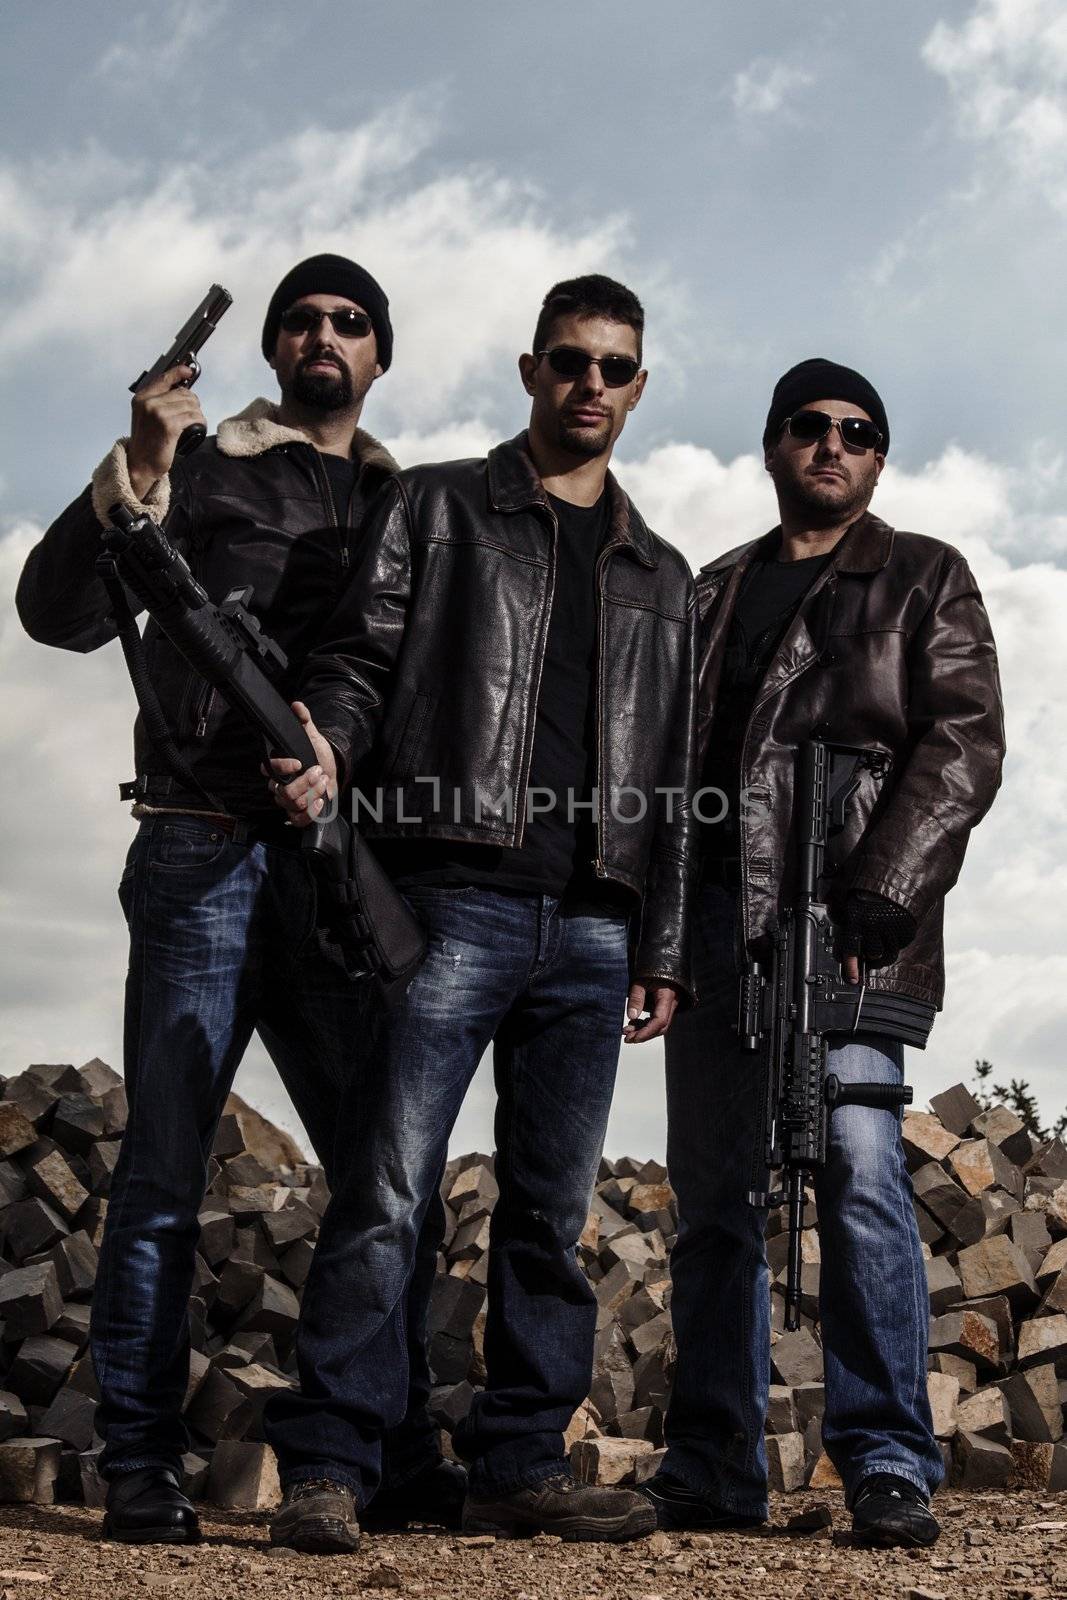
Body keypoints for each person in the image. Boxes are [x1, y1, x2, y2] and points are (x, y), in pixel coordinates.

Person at [15, 254, 462, 1545]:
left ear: (379, 355)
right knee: (161, 1176)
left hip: (334, 870)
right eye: (302, 319)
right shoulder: (194, 464)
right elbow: (56, 615)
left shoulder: (409, 503)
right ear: (272, 348)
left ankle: (383, 1450)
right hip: (198, 846)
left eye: (351, 320)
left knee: (387, 1181)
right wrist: (139, 466)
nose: (325, 333)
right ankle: (140, 1468)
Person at [262, 274, 699, 1551]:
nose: (589, 385)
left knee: (549, 1213)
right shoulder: (438, 503)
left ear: (636, 386)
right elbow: (356, 659)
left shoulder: (660, 574)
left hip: (593, 927)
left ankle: (516, 1462)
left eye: (613, 367)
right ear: (528, 370)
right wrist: (328, 744)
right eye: (568, 360)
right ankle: (332, 1463)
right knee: (387, 1188)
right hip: (448, 896)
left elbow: (672, 782)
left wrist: (657, 943)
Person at [641, 358, 1005, 1547]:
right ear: (771, 444)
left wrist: (881, 884)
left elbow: (961, 742)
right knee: (713, 1201)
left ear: (878, 456)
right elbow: (660, 776)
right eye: (808, 425)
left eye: (857, 430)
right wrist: (661, 937)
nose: (832, 444)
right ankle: (708, 1462)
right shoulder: (705, 594)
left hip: (854, 933)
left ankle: (888, 1457)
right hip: (715, 931)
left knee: (854, 1160)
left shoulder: (922, 576)